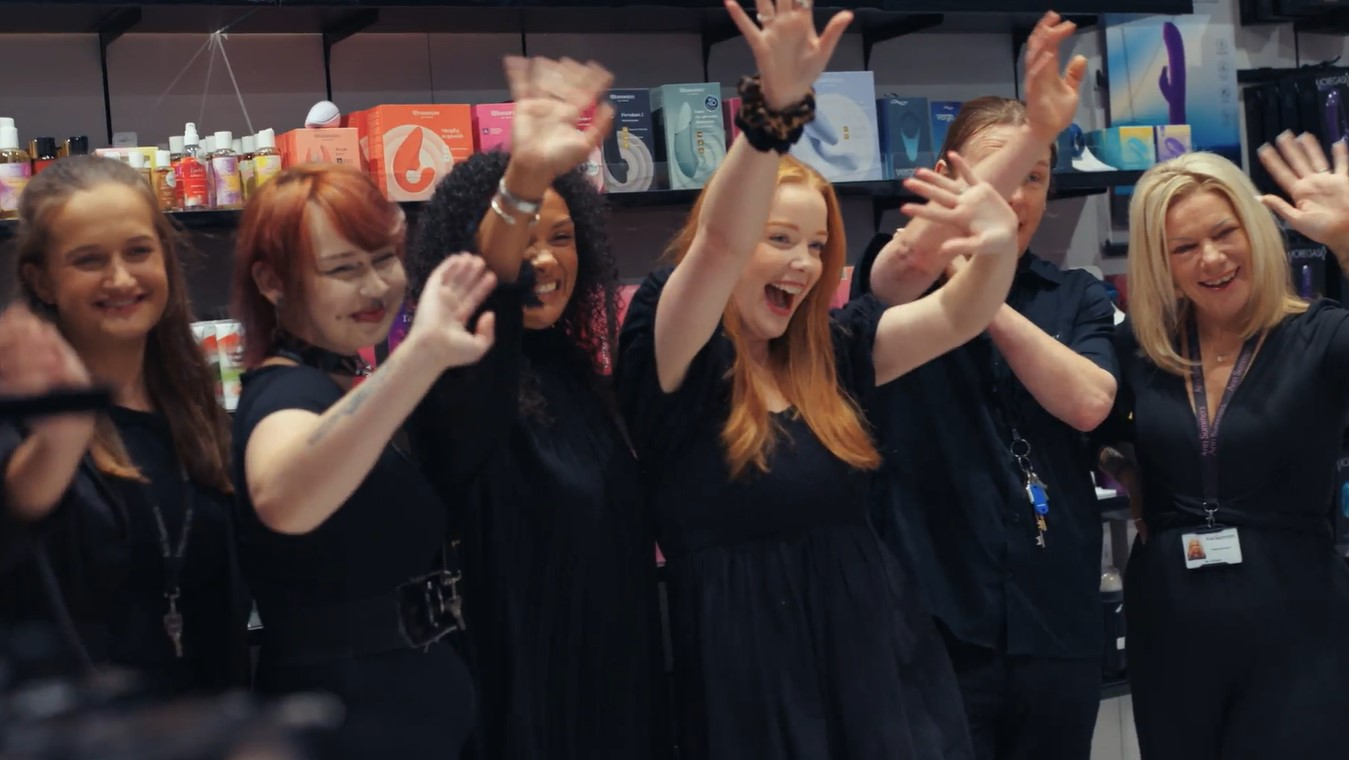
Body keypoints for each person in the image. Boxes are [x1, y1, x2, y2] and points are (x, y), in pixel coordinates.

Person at [613, 1, 1035, 755]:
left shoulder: (832, 354)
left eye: (816, 245)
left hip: (874, 663)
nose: (804, 264)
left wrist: (997, 246)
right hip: (746, 678)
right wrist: (771, 114)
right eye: (778, 240)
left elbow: (957, 316)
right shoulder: (672, 352)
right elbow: (714, 242)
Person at [849, 62, 1114, 760]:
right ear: (947, 175)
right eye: (1002, 172)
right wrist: (960, 280)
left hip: (1054, 616)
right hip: (930, 617)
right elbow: (889, 277)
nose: (1017, 195)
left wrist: (982, 294)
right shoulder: (898, 274)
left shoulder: (1076, 296)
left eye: (1033, 175)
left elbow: (1089, 403)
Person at [404, 57, 662, 759]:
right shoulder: (462, 370)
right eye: (527, 240)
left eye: (562, 237)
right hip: (520, 694)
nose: (546, 261)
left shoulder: (578, 373)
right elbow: (488, 297)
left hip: (612, 685)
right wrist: (519, 183)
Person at [1095, 135, 1349, 759]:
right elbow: (1095, 435)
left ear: (1255, 230)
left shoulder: (1319, 335)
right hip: (1171, 626)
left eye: (1224, 233)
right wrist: (1125, 468)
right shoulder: (1138, 353)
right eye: (1184, 247)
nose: (1210, 259)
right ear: (1163, 262)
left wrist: (1346, 239)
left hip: (1298, 621)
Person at [229, 163, 492, 759]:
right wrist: (419, 357)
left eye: (384, 258)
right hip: (340, 728)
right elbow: (282, 493)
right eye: (343, 269)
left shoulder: (348, 381)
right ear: (271, 282)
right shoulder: (285, 394)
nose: (374, 287)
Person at [0, 155, 248, 693]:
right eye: (88, 260)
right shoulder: (26, 426)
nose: (120, 278)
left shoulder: (195, 410)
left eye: (138, 251)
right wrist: (61, 436)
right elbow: (20, 510)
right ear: (40, 281)